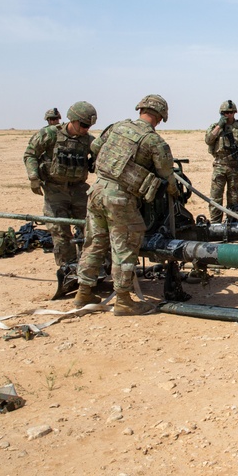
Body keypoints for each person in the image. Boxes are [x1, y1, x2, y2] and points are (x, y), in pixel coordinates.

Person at [73, 95, 178, 315]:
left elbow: (95, 146)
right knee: (125, 246)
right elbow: (166, 174)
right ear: (160, 117)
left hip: (96, 191)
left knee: (94, 242)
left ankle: (83, 292)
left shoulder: (117, 127)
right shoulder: (154, 142)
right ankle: (123, 300)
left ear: (141, 110)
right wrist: (174, 190)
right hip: (120, 199)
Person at [23, 101, 98, 268]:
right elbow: (30, 154)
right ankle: (68, 266)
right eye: (83, 125)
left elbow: (101, 159)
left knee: (91, 227)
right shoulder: (50, 134)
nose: (86, 129)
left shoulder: (88, 141)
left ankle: (89, 265)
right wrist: (34, 177)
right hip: (55, 189)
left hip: (79, 189)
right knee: (60, 231)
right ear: (73, 120)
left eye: (89, 126)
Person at [204, 100, 238, 222]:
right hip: (219, 166)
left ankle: (232, 223)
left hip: (235, 167)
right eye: (226, 113)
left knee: (233, 198)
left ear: (235, 113)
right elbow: (208, 140)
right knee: (216, 197)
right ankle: (215, 224)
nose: (229, 115)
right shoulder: (215, 127)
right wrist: (219, 126)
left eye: (231, 112)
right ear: (221, 113)